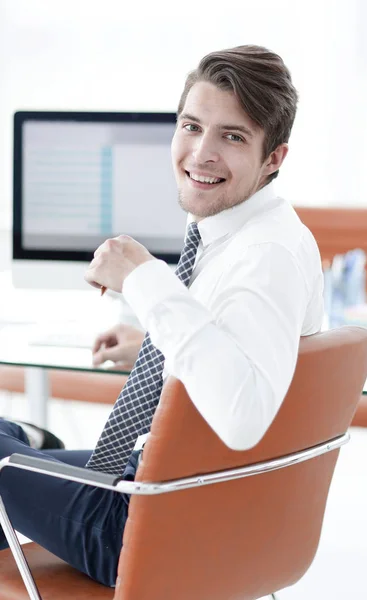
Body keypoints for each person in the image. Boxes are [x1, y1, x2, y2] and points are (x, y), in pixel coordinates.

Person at [0, 45, 324, 586]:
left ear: (275, 159)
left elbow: (242, 415)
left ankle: (24, 449)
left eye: (233, 136)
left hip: (146, 528)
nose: (201, 153)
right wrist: (158, 347)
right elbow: (238, 348)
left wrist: (143, 277)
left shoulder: (264, 256)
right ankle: (24, 445)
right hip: (183, 498)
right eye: (192, 126)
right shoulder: (257, 233)